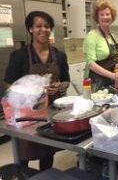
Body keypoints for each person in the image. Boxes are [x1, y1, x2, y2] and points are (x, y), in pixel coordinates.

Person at [4, 11, 70, 171]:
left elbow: (67, 81)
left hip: (50, 112)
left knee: (47, 151)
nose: (43, 30)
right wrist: (30, 92)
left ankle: (45, 175)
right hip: (25, 114)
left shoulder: (59, 55)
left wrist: (59, 86)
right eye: (38, 26)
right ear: (30, 29)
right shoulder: (19, 56)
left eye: (47, 26)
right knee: (24, 153)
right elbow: (8, 84)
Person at [83, 0, 118, 91]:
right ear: (97, 17)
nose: (105, 17)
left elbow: (114, 59)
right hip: (96, 83)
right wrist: (113, 75)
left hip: (110, 82)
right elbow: (90, 63)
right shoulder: (92, 36)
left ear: (112, 17)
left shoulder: (112, 36)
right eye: (102, 14)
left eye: (108, 14)